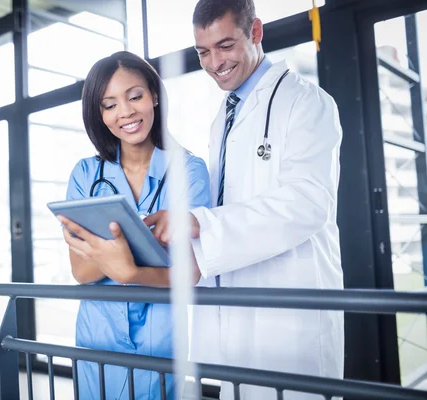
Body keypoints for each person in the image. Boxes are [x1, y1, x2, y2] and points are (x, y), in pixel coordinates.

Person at [143, 1, 344, 399]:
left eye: (225, 45)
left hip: (290, 304)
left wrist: (203, 223)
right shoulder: (225, 116)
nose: (214, 62)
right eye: (203, 52)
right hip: (237, 301)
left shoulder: (306, 102)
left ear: (255, 33)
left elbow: (307, 203)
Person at [57, 50, 211, 400]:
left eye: (135, 96)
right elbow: (80, 270)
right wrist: (141, 255)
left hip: (161, 336)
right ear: (99, 114)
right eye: (109, 105)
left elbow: (190, 272)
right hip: (98, 333)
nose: (124, 112)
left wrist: (124, 267)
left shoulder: (189, 170)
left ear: (154, 95)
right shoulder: (86, 174)